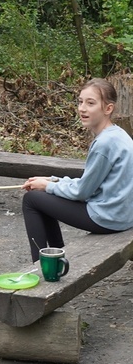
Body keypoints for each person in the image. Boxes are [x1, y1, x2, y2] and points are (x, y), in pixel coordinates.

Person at [21, 78, 133, 262]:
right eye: (80, 102)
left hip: (109, 218)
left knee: (32, 200)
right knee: (42, 196)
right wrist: (51, 181)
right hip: (123, 215)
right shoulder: (117, 134)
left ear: (108, 109)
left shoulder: (104, 144)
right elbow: (92, 184)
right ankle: (56, 260)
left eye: (90, 103)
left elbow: (82, 192)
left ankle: (39, 267)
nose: (82, 108)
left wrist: (47, 186)